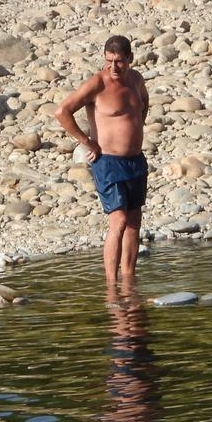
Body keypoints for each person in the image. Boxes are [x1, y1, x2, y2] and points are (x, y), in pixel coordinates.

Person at [55, 35, 150, 283]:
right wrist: (87, 141)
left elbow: (144, 102)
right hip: (108, 162)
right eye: (109, 61)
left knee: (133, 222)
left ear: (130, 59)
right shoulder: (97, 83)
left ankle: (128, 279)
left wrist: (139, 124)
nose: (113, 67)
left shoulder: (136, 80)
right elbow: (62, 111)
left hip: (135, 160)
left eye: (119, 61)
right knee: (118, 221)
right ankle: (111, 284)